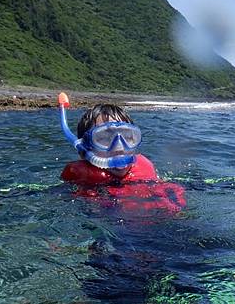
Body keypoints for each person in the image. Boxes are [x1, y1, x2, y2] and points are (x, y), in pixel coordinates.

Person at [57, 92, 186, 214]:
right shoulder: (80, 177)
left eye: (127, 137)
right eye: (105, 138)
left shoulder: (146, 170)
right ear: (84, 150)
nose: (119, 147)